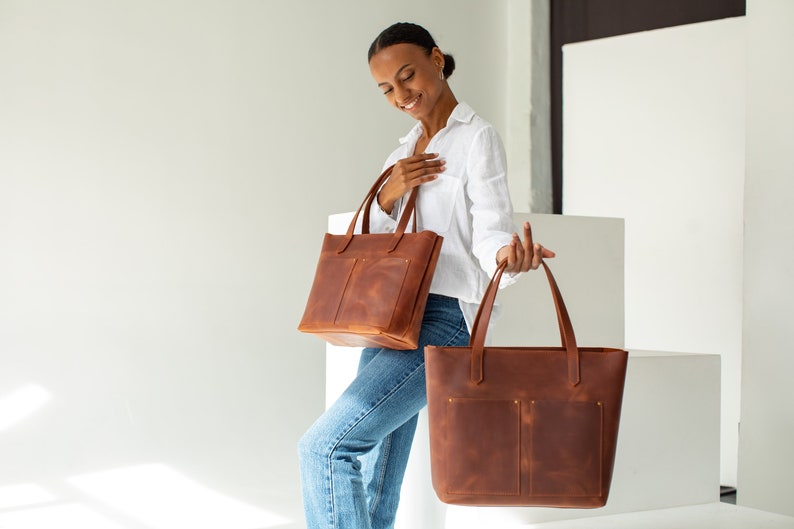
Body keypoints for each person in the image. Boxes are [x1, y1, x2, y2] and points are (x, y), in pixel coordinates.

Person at [298, 22, 555, 529]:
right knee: (374, 477)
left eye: (407, 76)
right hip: (392, 317)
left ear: (437, 59)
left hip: (445, 319)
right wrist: (388, 193)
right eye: (386, 89)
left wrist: (507, 259)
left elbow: (490, 229)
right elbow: (371, 238)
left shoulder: (476, 139)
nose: (400, 95)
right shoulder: (400, 154)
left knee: (326, 448)